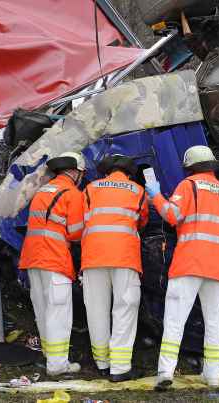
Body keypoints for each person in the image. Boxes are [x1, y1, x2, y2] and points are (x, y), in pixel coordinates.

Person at [145, 145, 219, 390]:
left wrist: (155, 195)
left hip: (189, 264)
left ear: (189, 168)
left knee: (175, 320)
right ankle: (213, 376)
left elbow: (172, 215)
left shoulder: (189, 186)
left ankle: (165, 373)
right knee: (214, 323)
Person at [81, 154, 149, 382]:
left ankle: (102, 363)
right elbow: (142, 221)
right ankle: (119, 368)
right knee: (124, 308)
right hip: (124, 256)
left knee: (96, 309)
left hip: (93, 255)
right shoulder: (137, 190)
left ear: (106, 171)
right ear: (129, 172)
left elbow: (83, 219)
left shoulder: (91, 188)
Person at [18, 151, 86, 376]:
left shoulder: (43, 190)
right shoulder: (72, 193)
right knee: (59, 311)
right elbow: (75, 233)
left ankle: (49, 356)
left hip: (32, 257)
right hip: (54, 257)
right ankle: (57, 365)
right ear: (74, 172)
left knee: (43, 308)